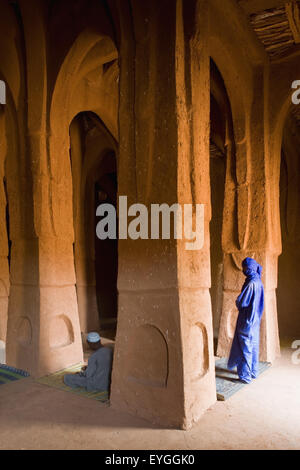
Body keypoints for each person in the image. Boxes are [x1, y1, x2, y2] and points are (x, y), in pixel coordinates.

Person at [227, 257, 264, 384]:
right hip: (255, 320)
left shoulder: (250, 283)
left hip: (246, 320)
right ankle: (253, 372)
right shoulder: (258, 281)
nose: (244, 270)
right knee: (253, 346)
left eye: (245, 267)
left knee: (244, 348)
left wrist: (237, 301)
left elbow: (241, 302)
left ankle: (245, 377)